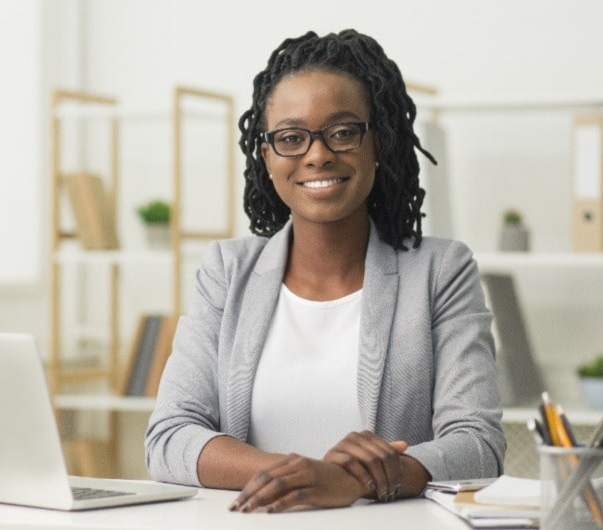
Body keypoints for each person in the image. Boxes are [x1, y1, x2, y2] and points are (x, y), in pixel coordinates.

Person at [145, 28, 505, 513]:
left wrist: (354, 483)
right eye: (292, 137)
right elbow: (169, 438)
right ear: (267, 155)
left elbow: (478, 445)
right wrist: (308, 477)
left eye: (342, 132)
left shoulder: (441, 271)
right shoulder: (227, 271)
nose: (317, 154)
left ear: (378, 142)